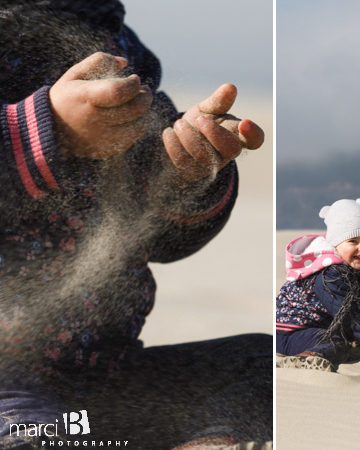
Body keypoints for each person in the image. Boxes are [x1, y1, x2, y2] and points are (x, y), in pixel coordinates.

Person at [0, 2, 270, 447]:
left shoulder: (120, 51)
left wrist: (185, 175)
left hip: (101, 381)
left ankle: (211, 441)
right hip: (9, 390)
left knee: (260, 368)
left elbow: (163, 241)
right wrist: (46, 129)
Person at [276, 198, 360, 371]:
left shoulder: (352, 270)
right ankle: (308, 358)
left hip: (316, 328)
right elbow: (354, 314)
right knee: (336, 341)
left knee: (354, 337)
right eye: (353, 241)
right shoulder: (330, 276)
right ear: (336, 244)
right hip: (290, 334)